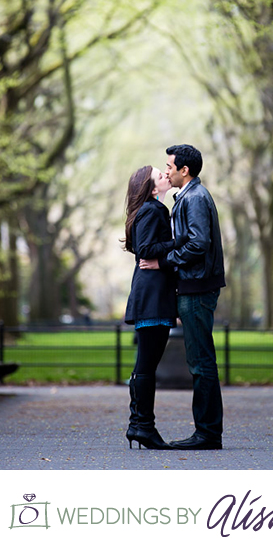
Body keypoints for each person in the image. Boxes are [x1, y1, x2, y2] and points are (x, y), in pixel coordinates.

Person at [139, 144, 225, 450]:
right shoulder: (189, 197)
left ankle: (207, 434)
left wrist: (163, 262)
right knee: (199, 361)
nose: (167, 171)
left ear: (184, 170)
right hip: (193, 286)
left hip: (198, 287)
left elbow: (198, 244)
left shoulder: (195, 198)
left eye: (170, 166)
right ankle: (207, 432)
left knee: (201, 362)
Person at [122, 165, 176, 450]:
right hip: (152, 298)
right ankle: (142, 426)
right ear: (152, 188)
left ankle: (140, 425)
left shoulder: (152, 210)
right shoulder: (152, 210)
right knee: (146, 365)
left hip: (153, 297)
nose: (166, 175)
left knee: (146, 364)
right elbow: (145, 249)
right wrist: (180, 241)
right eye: (160, 175)